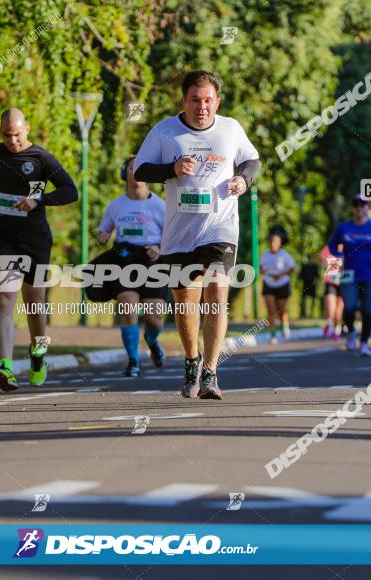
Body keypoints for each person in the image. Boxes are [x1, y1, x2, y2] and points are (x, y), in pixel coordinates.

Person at [133, 70, 260, 400]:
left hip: (220, 227)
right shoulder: (165, 131)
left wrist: (243, 181)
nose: (202, 107)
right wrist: (171, 170)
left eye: (208, 100)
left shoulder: (230, 129)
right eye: (195, 100)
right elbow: (141, 169)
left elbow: (251, 161)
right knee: (185, 299)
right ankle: (192, 359)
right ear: (184, 101)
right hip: (180, 234)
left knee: (217, 295)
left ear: (217, 101)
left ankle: (210, 371)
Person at [0, 108, 78, 392]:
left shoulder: (41, 158)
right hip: (1, 234)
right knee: (4, 299)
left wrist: (39, 200)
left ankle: (38, 354)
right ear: (0, 131)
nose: (12, 141)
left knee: (34, 301)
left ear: (26, 128)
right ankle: (6, 365)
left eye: (16, 134)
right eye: (6, 134)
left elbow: (69, 190)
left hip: (34, 237)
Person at [96, 157, 167, 376]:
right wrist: (103, 235)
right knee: (128, 308)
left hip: (153, 261)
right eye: (130, 167)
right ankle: (133, 360)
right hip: (125, 259)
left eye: (140, 167)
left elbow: (174, 236)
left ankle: (152, 340)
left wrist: (160, 248)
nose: (135, 171)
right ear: (123, 173)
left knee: (155, 319)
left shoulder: (160, 205)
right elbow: (102, 233)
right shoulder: (116, 205)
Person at [327, 194, 371, 356]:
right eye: (356, 204)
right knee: (350, 307)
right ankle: (351, 333)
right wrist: (339, 256)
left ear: (368, 207)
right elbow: (331, 246)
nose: (359, 208)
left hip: (370, 274)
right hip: (349, 275)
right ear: (353, 208)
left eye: (363, 204)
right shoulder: (344, 228)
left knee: (368, 310)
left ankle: (364, 343)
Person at [259, 225, 296, 343]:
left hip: (282, 284)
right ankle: (272, 334)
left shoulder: (284, 254)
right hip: (269, 283)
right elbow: (261, 269)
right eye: (271, 241)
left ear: (280, 243)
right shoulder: (265, 255)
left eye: (275, 241)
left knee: (281, 309)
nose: (272, 243)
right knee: (270, 309)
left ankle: (285, 327)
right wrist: (264, 272)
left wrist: (281, 275)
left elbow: (292, 268)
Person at [320, 244, 344, 340]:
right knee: (331, 308)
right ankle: (328, 323)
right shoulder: (329, 248)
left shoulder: (349, 246)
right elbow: (322, 263)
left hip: (343, 283)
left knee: (338, 312)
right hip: (331, 282)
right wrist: (327, 265)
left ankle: (335, 330)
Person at [299, 253, 320, 319]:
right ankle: (305, 313)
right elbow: (300, 276)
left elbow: (317, 276)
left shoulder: (315, 266)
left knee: (313, 299)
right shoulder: (304, 266)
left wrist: (317, 284)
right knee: (304, 299)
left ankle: (311, 313)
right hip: (305, 284)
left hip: (312, 285)